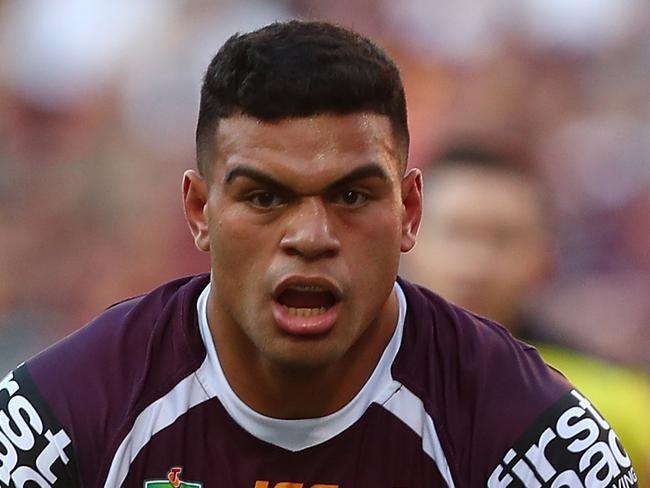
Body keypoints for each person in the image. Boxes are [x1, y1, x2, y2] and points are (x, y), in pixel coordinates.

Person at [0, 21, 639, 487]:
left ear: (410, 211)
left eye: (352, 195)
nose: (311, 236)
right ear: (200, 212)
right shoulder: (61, 416)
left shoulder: (532, 436)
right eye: (265, 197)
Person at [403, 140, 650, 485]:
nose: (475, 264)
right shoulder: (344, 376)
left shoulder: (615, 401)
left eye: (502, 239)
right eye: (456, 232)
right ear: (408, 233)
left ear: (543, 257)